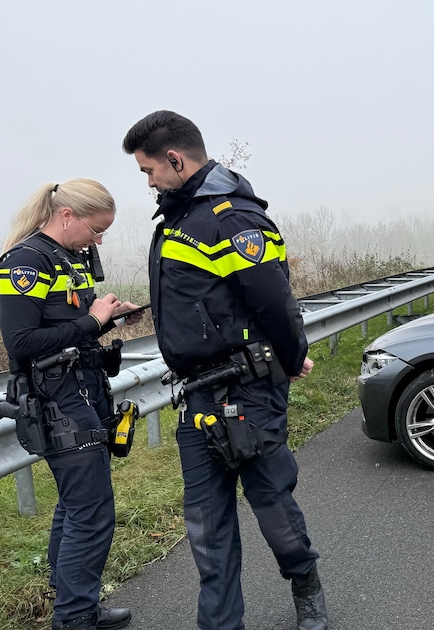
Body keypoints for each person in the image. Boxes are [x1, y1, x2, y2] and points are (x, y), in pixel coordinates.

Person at [121, 110, 326, 630]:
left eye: (150, 171)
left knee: (272, 505)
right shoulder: (177, 219)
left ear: (175, 159)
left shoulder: (232, 218)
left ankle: (306, 583)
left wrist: (290, 353)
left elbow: (276, 304)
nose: (148, 183)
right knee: (206, 529)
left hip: (248, 393)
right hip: (197, 397)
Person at [0, 179, 142, 630]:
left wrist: (106, 318)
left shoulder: (66, 260)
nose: (99, 241)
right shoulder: (24, 261)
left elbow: (68, 327)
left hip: (84, 393)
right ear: (67, 216)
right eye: (96, 230)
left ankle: (76, 602)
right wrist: (92, 319)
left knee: (76, 506)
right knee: (92, 511)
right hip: (55, 401)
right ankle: (74, 618)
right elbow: (21, 344)